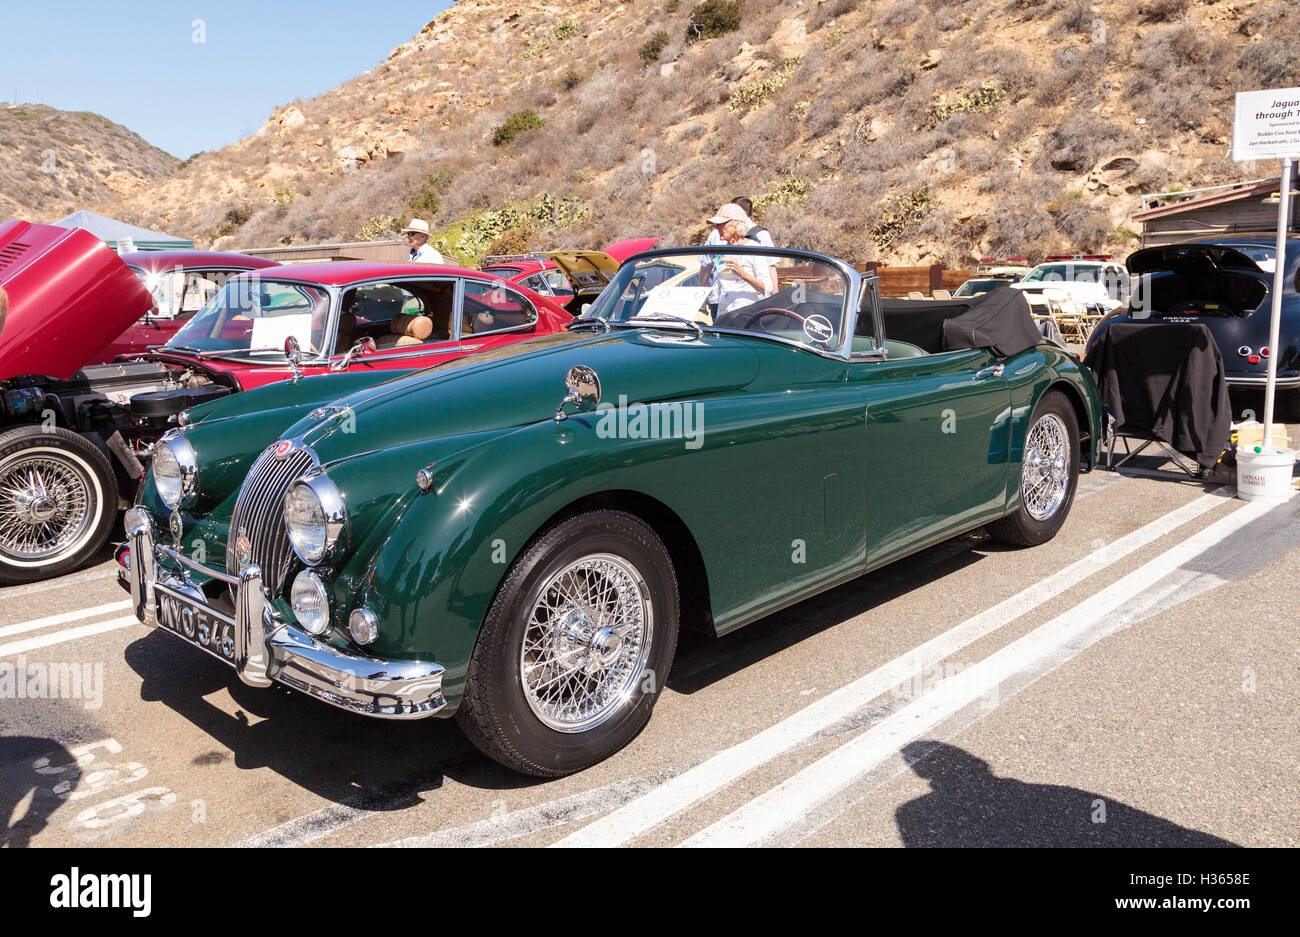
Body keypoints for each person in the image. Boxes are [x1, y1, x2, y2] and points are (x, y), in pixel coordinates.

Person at [706, 204, 778, 314]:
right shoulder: (724, 250)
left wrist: (742, 273)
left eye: (721, 224)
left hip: (746, 317)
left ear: (736, 225)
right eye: (716, 224)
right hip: (723, 316)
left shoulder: (754, 248)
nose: (716, 227)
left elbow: (768, 288)